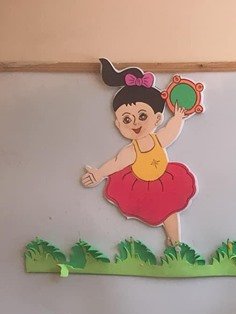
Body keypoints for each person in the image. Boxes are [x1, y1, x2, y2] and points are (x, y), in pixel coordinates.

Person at [81, 58, 197, 247]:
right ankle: (172, 243)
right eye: (126, 119)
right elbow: (117, 162)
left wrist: (178, 117)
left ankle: (175, 243)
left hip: (165, 181)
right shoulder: (131, 151)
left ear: (157, 118)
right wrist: (99, 173)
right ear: (118, 124)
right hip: (142, 186)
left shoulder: (158, 140)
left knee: (170, 209)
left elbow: (170, 131)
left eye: (142, 116)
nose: (135, 123)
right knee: (158, 211)